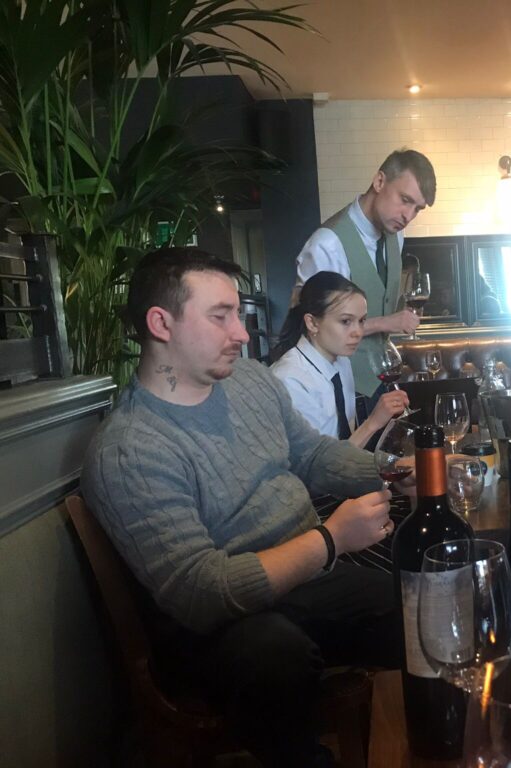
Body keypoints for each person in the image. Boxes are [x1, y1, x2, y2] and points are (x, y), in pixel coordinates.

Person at [82, 248, 412, 765]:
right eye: (221, 316)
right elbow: (201, 592)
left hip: (305, 582)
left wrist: (400, 471)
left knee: (420, 599)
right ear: (161, 324)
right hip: (217, 627)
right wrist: (330, 541)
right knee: (274, 655)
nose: (241, 332)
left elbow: (313, 455)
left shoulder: (250, 382)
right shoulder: (130, 449)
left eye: (237, 313)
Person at [294, 148, 436, 403]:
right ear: (379, 181)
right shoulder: (327, 244)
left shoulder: (396, 236)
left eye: (417, 209)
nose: (408, 216)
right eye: (405, 199)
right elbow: (314, 328)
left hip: (381, 381)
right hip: (339, 389)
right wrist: (386, 323)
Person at [271, 271, 409, 448]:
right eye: (345, 321)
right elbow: (319, 462)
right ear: (312, 323)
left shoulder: (341, 362)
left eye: (361, 321)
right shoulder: (291, 380)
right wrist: (373, 423)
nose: (358, 332)